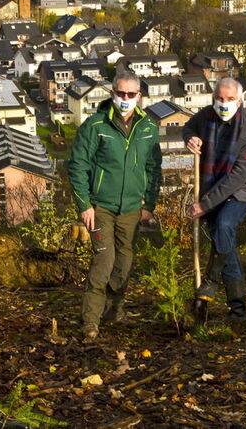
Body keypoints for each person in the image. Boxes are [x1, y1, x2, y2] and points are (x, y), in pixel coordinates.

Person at [69, 71, 162, 340]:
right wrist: (84, 205)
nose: (125, 99)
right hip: (101, 207)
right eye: (120, 94)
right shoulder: (95, 126)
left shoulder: (148, 129)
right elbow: (77, 165)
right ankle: (90, 321)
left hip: (132, 208)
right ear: (112, 94)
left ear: (139, 96)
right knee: (104, 260)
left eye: (131, 94)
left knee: (124, 261)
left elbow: (154, 168)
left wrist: (150, 204)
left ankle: (115, 308)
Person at [182, 78, 246, 318]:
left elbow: (239, 176)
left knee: (224, 224)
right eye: (219, 98)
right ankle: (238, 308)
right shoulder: (206, 117)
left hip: (242, 190)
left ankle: (210, 280)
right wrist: (190, 138)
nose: (224, 104)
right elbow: (188, 126)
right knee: (224, 242)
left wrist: (204, 205)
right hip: (211, 186)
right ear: (213, 98)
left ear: (239, 100)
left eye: (229, 99)